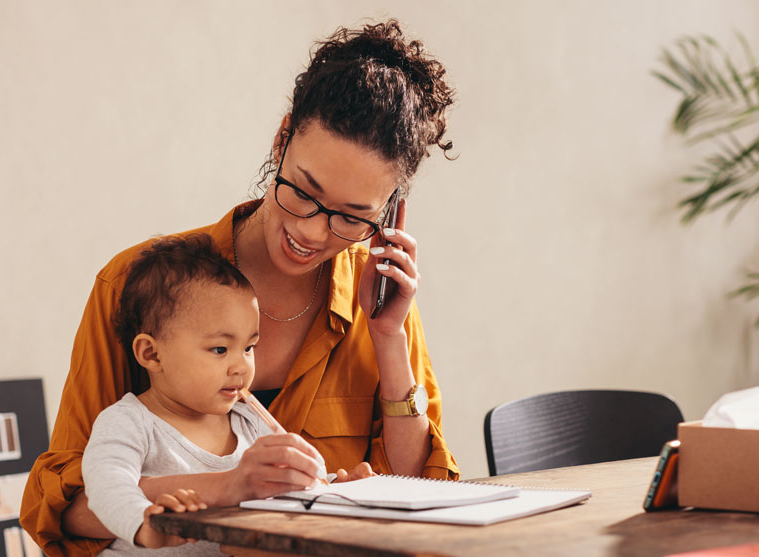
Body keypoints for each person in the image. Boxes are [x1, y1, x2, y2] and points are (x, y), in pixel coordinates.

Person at [23, 19, 459, 556]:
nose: (311, 231)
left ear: (389, 214)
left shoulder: (381, 303)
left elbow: (421, 494)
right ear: (282, 139)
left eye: (352, 218)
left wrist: (390, 339)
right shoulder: (136, 285)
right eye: (303, 191)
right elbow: (67, 507)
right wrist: (231, 490)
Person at [83, 234, 277, 555]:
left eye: (249, 348)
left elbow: (284, 485)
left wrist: (336, 486)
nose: (241, 366)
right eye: (220, 349)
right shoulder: (129, 422)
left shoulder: (250, 423)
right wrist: (146, 525)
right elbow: (106, 488)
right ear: (152, 355)